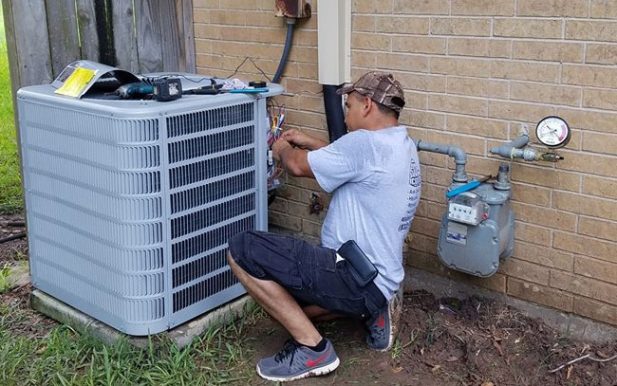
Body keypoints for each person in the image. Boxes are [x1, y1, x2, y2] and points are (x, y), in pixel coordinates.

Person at [226, 71, 422, 382]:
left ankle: (313, 349)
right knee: (289, 305)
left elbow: (296, 165)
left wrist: (281, 149)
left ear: (368, 105)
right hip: (379, 281)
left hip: (351, 276)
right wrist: (311, 142)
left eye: (349, 106)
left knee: (243, 249)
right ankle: (371, 310)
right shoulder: (401, 145)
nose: (346, 114)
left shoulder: (364, 145)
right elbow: (349, 161)